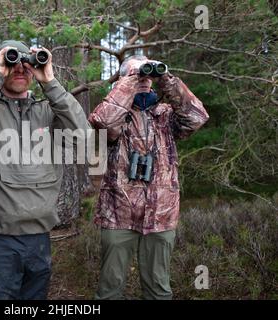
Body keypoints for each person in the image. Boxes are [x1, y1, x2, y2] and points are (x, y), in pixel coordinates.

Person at [0, 40, 89, 300]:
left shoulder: (47, 111)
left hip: (38, 239)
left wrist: (50, 83)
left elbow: (84, 140)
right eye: (13, 63)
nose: (21, 69)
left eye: (28, 64)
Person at [88, 55, 209, 300]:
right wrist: (130, 81)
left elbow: (196, 117)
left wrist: (166, 80)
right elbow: (102, 121)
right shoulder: (117, 117)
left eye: (146, 74)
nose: (143, 78)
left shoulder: (166, 114)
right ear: (123, 79)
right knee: (110, 289)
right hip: (118, 213)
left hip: (160, 214)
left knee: (158, 289)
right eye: (136, 73)